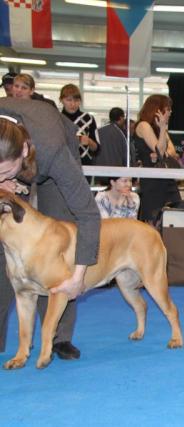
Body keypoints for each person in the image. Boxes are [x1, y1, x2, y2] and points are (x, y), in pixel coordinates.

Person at [0, 98, 101, 360]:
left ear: (23, 151)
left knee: (59, 241)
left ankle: (59, 338)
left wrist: (78, 277)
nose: (2, 179)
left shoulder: (53, 151)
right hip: (22, 145)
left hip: (54, 149)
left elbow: (89, 215)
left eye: (6, 172)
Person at [133, 94, 181, 225]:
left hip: (167, 179)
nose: (170, 112)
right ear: (157, 110)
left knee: (174, 218)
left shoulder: (161, 128)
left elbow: (171, 151)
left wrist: (162, 151)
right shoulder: (144, 126)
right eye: (168, 109)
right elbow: (159, 150)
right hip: (152, 181)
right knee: (153, 219)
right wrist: (162, 133)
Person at [59, 84, 100, 166]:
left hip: (84, 166)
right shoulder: (56, 118)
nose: (73, 104)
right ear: (61, 100)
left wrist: (89, 141)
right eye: (69, 100)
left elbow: (97, 149)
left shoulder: (89, 119)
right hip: (61, 165)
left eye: (76, 100)